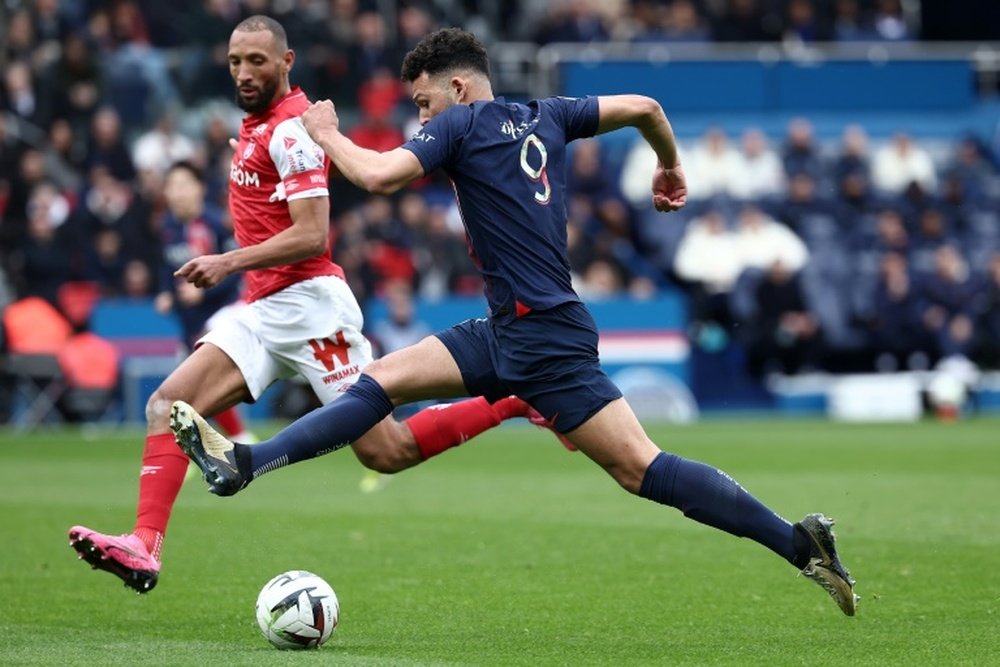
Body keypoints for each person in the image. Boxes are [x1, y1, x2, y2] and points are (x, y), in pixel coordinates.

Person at [172, 27, 859, 615]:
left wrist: (326, 134)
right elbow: (647, 105)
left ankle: (248, 462)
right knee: (381, 384)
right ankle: (800, 544)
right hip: (527, 324)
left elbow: (379, 176)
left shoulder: (462, 123)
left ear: (460, 89)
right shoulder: (550, 112)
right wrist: (670, 168)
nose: (421, 119)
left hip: (536, 335)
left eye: (423, 103)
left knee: (639, 468)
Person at [68, 16, 539, 594]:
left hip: (313, 307)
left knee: (386, 450)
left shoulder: (292, 129)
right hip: (264, 308)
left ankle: (514, 399)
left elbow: (314, 234)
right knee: (167, 404)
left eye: (257, 61)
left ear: (286, 62)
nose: (244, 72)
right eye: (236, 60)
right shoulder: (256, 124)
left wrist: (227, 261)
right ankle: (144, 546)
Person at [153, 160, 254, 443]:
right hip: (189, 317)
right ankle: (205, 447)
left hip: (224, 311)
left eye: (184, 185)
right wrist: (164, 292)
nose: (178, 192)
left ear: (200, 188)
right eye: (172, 186)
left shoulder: (217, 224)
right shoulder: (168, 226)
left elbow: (237, 269)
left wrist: (204, 292)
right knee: (193, 389)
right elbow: (165, 266)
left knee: (198, 381)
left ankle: (241, 438)